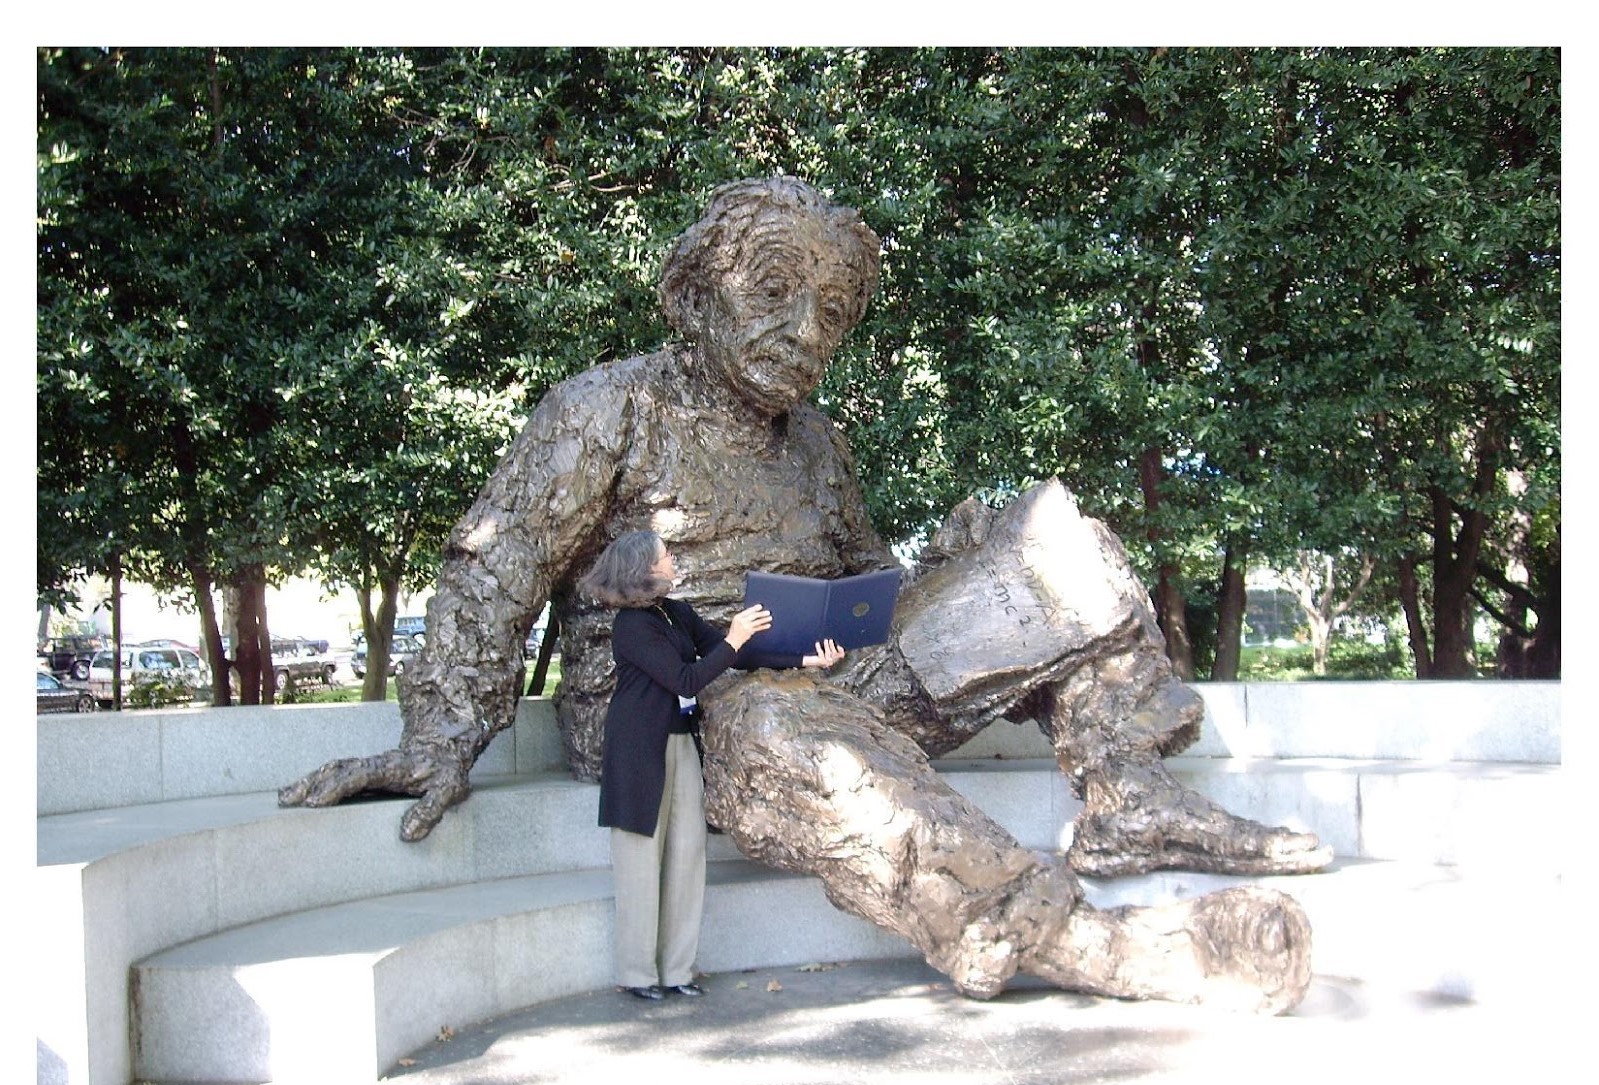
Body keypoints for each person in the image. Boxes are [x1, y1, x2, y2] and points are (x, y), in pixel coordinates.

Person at [282, 176, 1325, 1013]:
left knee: (1051, 537)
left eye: (831, 311)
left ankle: (1125, 798)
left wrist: (950, 573)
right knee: (784, 717)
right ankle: (1091, 942)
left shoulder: (819, 444)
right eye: (773, 291)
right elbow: (493, 566)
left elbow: (872, 594)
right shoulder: (608, 409)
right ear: (693, 298)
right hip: (683, 692)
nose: (805, 330)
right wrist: (442, 733)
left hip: (825, 675)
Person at [580, 529, 844, 999]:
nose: (674, 558)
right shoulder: (631, 626)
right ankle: (638, 974)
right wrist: (735, 637)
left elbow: (736, 653)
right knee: (641, 862)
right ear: (644, 568)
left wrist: (806, 660)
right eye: (666, 555)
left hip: (681, 743)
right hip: (638, 750)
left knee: (687, 857)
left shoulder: (675, 612)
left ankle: (678, 970)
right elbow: (687, 676)